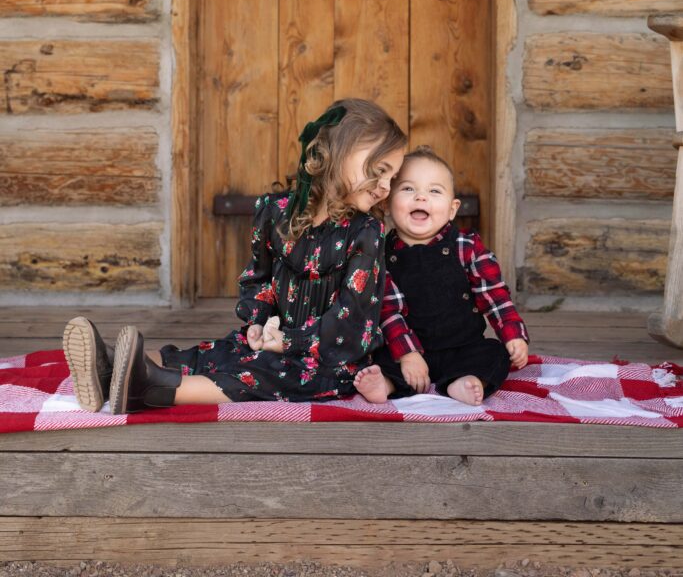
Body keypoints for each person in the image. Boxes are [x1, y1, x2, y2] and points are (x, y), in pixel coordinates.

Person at [63, 98, 406, 414]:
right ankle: (112, 365)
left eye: (392, 176)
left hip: (327, 360)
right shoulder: (276, 212)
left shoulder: (366, 232)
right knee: (220, 352)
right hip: (272, 339)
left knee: (264, 375)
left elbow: (352, 321)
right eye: (381, 169)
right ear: (340, 151)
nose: (386, 186)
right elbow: (258, 279)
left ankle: (152, 389)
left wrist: (291, 341)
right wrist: (257, 321)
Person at [354, 146, 529, 407]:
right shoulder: (380, 254)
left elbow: (493, 294)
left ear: (452, 208)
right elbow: (387, 310)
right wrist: (408, 355)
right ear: (387, 204)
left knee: (494, 353)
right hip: (406, 350)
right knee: (376, 354)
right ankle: (386, 384)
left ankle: (467, 381)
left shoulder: (466, 246)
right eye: (408, 189)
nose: (421, 198)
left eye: (434, 191)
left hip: (462, 346)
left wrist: (513, 334)